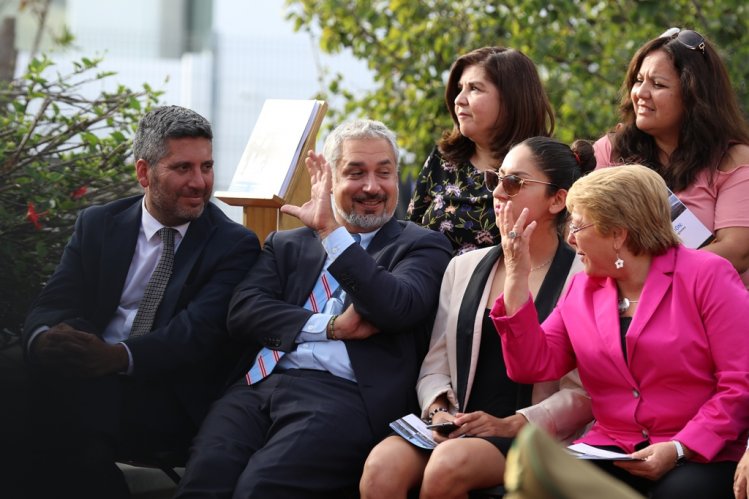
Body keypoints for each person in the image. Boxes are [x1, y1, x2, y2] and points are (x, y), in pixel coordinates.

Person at [175, 119, 453, 498]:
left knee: (261, 489)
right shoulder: (287, 244)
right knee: (204, 481)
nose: (372, 187)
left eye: (384, 173)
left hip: (344, 396)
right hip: (259, 386)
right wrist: (330, 327)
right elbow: (244, 311)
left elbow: (394, 307)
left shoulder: (423, 246)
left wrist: (333, 236)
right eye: (356, 173)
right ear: (329, 179)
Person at [23, 105, 261, 498]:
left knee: (66, 414)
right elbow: (53, 301)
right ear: (143, 173)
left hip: (168, 389)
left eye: (207, 166)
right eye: (183, 168)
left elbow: (197, 333)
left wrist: (115, 357)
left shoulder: (232, 244)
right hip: (91, 375)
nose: (200, 182)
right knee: (22, 372)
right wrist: (45, 339)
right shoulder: (98, 224)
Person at [492, 164, 749, 499]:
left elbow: (739, 382)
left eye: (579, 224)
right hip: (610, 449)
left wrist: (679, 447)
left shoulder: (708, 275)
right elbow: (531, 365)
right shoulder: (580, 289)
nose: (569, 237)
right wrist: (516, 275)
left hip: (700, 452)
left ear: (618, 233)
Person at [360, 137, 595, 498]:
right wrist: (440, 410)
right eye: (495, 179)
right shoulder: (464, 266)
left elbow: (582, 393)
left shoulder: (584, 276)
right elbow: (435, 361)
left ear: (557, 199)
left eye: (514, 182)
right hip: (458, 425)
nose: (498, 192)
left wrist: (509, 424)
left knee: (449, 465)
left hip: (529, 433)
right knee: (381, 468)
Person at [594, 27, 749, 287]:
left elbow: (736, 252)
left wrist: (651, 274)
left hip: (706, 309)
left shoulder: (733, 159)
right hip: (625, 310)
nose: (640, 93)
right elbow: (588, 233)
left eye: (658, 85)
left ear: (694, 95)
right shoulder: (612, 151)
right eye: (639, 80)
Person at [407, 46, 554, 255]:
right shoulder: (443, 158)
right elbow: (408, 233)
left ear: (511, 99)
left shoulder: (545, 167)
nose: (459, 99)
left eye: (474, 88)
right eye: (460, 88)